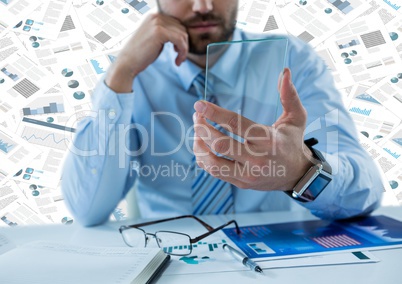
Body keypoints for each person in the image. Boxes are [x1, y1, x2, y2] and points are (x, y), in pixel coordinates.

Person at [62, 0, 383, 226]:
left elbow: (364, 192)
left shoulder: (292, 58)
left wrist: (303, 171)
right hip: (172, 259)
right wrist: (120, 73)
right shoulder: (132, 77)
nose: (203, 5)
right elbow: (88, 210)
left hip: (281, 262)